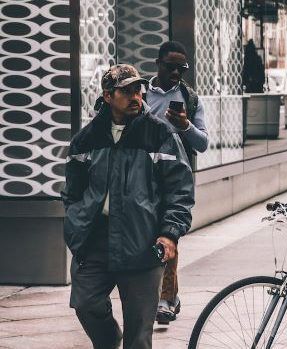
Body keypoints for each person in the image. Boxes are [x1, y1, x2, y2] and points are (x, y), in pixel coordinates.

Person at [62, 64, 194, 349]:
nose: (136, 96)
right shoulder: (87, 138)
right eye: (127, 91)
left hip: (143, 242)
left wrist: (170, 233)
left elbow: (180, 188)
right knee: (85, 303)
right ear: (108, 96)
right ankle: (109, 341)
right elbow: (72, 193)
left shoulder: (159, 134)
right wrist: (75, 225)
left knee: (139, 336)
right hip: (95, 241)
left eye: (138, 89)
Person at [145, 40, 208, 325]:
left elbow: (204, 143)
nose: (176, 73)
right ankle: (168, 295)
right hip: (141, 178)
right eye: (170, 67)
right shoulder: (140, 93)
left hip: (173, 179)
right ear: (158, 63)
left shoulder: (190, 98)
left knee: (168, 232)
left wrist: (185, 125)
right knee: (148, 236)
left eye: (181, 68)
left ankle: (166, 299)